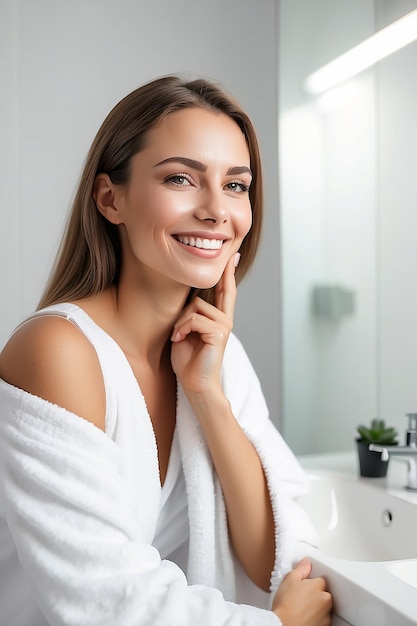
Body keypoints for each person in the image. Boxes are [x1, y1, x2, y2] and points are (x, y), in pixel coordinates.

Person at [0, 75, 332, 626]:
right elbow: (101, 599)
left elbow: (271, 559)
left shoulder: (214, 352)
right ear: (112, 199)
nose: (215, 211)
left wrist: (208, 395)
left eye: (236, 185)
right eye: (181, 178)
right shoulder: (58, 352)